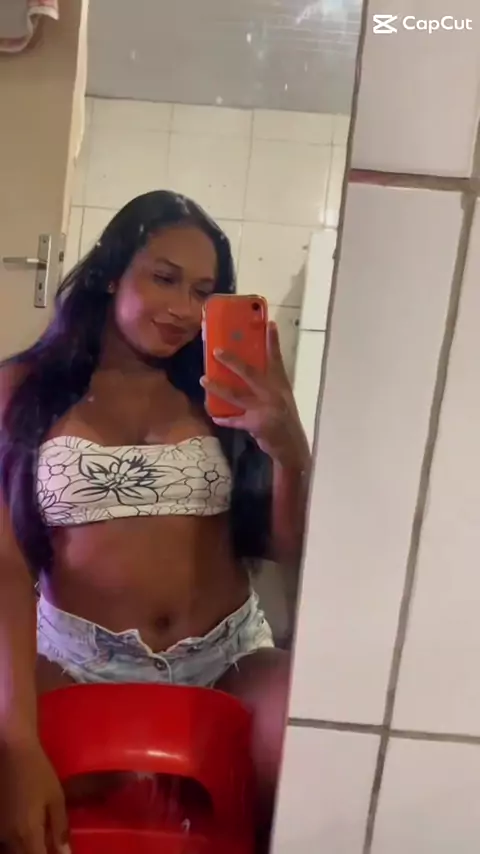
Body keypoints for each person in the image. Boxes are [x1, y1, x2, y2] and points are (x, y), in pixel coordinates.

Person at [0, 190, 310, 853]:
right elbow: (5, 569)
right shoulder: (23, 388)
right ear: (113, 273)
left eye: (204, 292)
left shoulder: (226, 390)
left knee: (315, 735)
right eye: (163, 278)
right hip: (72, 661)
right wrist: (18, 741)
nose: (184, 309)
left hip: (227, 658)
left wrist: (289, 448)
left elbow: (296, 550)